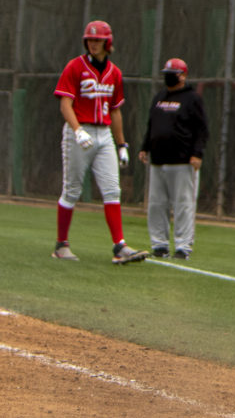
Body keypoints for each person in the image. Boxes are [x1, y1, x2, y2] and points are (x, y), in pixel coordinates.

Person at [52, 20, 149, 264]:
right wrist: (77, 130)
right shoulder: (75, 66)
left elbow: (115, 111)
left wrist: (122, 144)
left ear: (108, 42)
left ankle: (120, 247)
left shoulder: (114, 73)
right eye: (90, 39)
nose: (93, 44)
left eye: (98, 40)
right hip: (80, 130)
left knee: (112, 189)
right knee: (72, 189)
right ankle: (61, 245)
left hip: (104, 134)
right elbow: (65, 103)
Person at [139, 58, 209, 260]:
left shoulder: (192, 98)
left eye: (173, 72)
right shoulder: (159, 96)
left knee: (183, 204)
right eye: (167, 72)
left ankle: (183, 247)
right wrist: (145, 147)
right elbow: (151, 124)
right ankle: (159, 245)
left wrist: (197, 153)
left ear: (183, 75)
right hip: (158, 160)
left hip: (182, 160)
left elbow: (201, 129)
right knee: (156, 204)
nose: (168, 76)